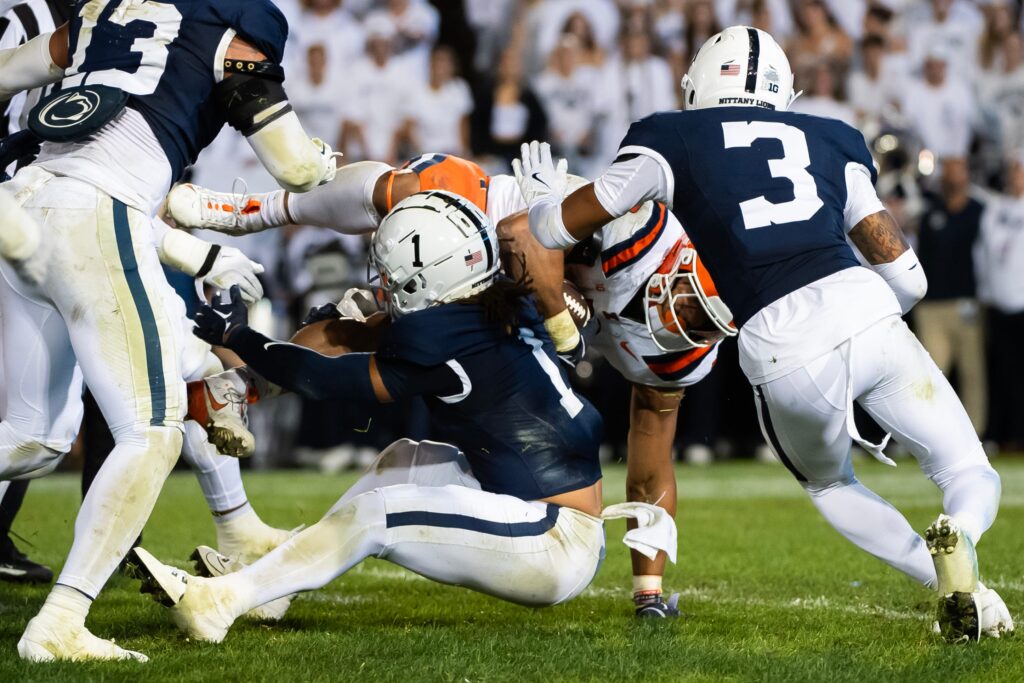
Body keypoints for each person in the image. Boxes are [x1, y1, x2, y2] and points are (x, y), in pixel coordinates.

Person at [515, 25, 1012, 642]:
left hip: (782, 345)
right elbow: (909, 277)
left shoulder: (667, 135)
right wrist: (855, 315)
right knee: (968, 469)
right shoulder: (834, 137)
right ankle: (960, 535)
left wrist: (541, 200)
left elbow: (557, 228)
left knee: (833, 484)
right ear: (785, 90)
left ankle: (951, 582)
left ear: (697, 81)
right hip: (866, 309)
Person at [165, 154, 735, 618]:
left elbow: (322, 373)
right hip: (535, 472)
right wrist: (548, 257)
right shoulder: (511, 294)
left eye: (392, 281)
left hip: (554, 537)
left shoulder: (466, 324)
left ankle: (224, 601)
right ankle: (275, 582)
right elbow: (528, 266)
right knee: (402, 460)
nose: (382, 286)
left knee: (378, 512)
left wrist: (237, 333)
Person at [0, 0, 336, 662]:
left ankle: (236, 526)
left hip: (27, 194)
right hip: (99, 212)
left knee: (33, 437)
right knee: (154, 426)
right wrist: (323, 161)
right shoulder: (238, 19)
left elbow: (11, 68)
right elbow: (292, 164)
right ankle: (61, 622)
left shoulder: (106, 5)